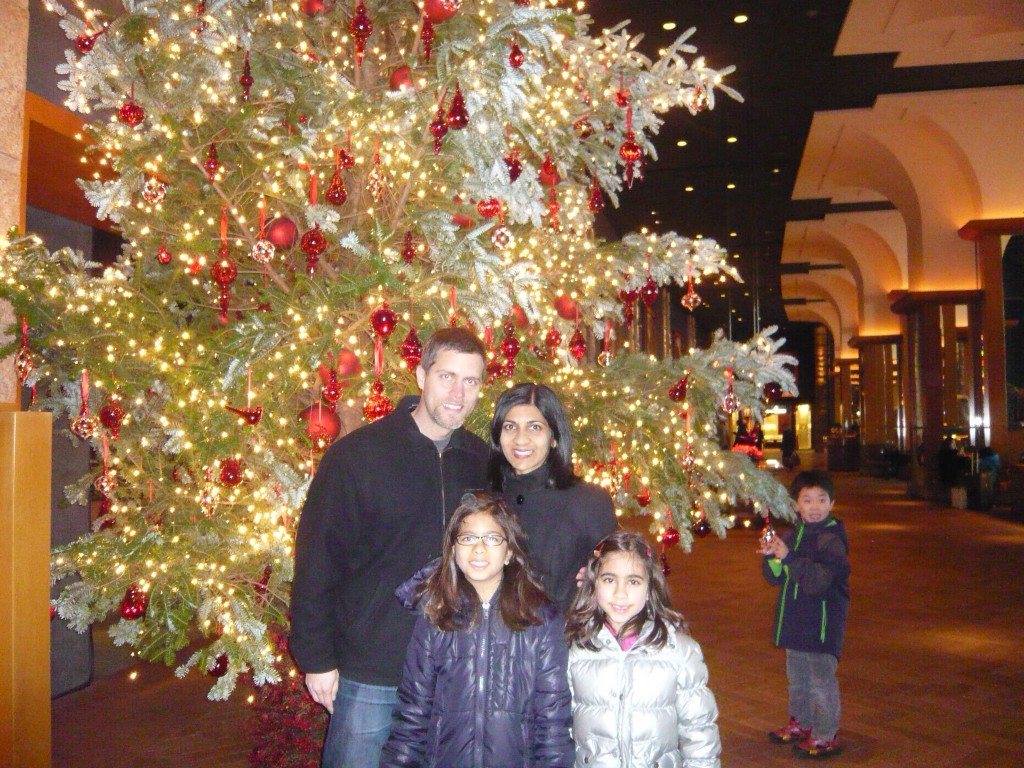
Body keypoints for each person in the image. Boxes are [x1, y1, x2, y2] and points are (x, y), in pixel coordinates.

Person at [289, 327, 489, 768]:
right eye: (446, 376)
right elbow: (317, 560)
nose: (458, 392)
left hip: (455, 671)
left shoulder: (482, 461)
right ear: (421, 376)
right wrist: (316, 658)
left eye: (470, 381)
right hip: (372, 670)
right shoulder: (357, 457)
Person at [380, 493, 574, 767]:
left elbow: (552, 722)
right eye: (468, 538)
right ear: (454, 549)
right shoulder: (435, 617)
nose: (479, 548)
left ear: (509, 552)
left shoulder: (540, 620)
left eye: (492, 538)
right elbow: (412, 714)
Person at [564, 530, 721, 768]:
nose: (620, 593)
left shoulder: (679, 651)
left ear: (650, 588)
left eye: (633, 581)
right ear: (593, 584)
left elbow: (699, 732)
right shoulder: (576, 649)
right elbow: (563, 725)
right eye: (609, 580)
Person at [488, 382, 618, 611]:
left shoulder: (587, 501)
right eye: (510, 426)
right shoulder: (486, 497)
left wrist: (598, 575)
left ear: (554, 437)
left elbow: (624, 566)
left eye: (534, 427)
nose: (520, 439)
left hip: (560, 640)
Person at [758, 470, 850, 758]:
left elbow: (817, 580)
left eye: (821, 500)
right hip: (795, 622)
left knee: (821, 681)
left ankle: (825, 733)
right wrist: (772, 557)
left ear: (832, 504)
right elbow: (776, 578)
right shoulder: (794, 533)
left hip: (820, 626)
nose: (814, 507)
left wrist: (788, 557)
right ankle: (802, 723)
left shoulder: (831, 539)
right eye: (807, 500)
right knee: (797, 678)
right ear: (796, 505)